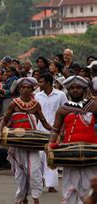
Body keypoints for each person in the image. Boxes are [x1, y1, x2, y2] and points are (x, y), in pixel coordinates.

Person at [0, 77, 52, 204]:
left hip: (32, 143)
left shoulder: (36, 105)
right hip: (17, 144)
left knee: (34, 172)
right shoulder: (14, 103)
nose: (25, 90)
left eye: (28, 87)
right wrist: (1, 133)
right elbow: (4, 120)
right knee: (21, 174)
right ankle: (22, 198)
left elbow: (44, 123)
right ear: (19, 89)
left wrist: (56, 130)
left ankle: (35, 198)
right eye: (23, 87)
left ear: (32, 89)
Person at [48, 75, 97, 204]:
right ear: (68, 91)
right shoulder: (63, 109)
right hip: (70, 152)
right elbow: (55, 130)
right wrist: (51, 145)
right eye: (72, 88)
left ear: (84, 89)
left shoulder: (93, 106)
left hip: (91, 152)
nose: (75, 90)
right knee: (70, 187)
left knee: (90, 187)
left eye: (78, 87)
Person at [35, 73, 68, 193]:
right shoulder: (37, 96)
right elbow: (35, 114)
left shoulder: (60, 95)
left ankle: (51, 184)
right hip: (40, 129)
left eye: (41, 82)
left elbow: (66, 113)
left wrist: (63, 129)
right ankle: (40, 182)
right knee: (39, 157)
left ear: (48, 82)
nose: (39, 84)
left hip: (55, 129)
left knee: (51, 155)